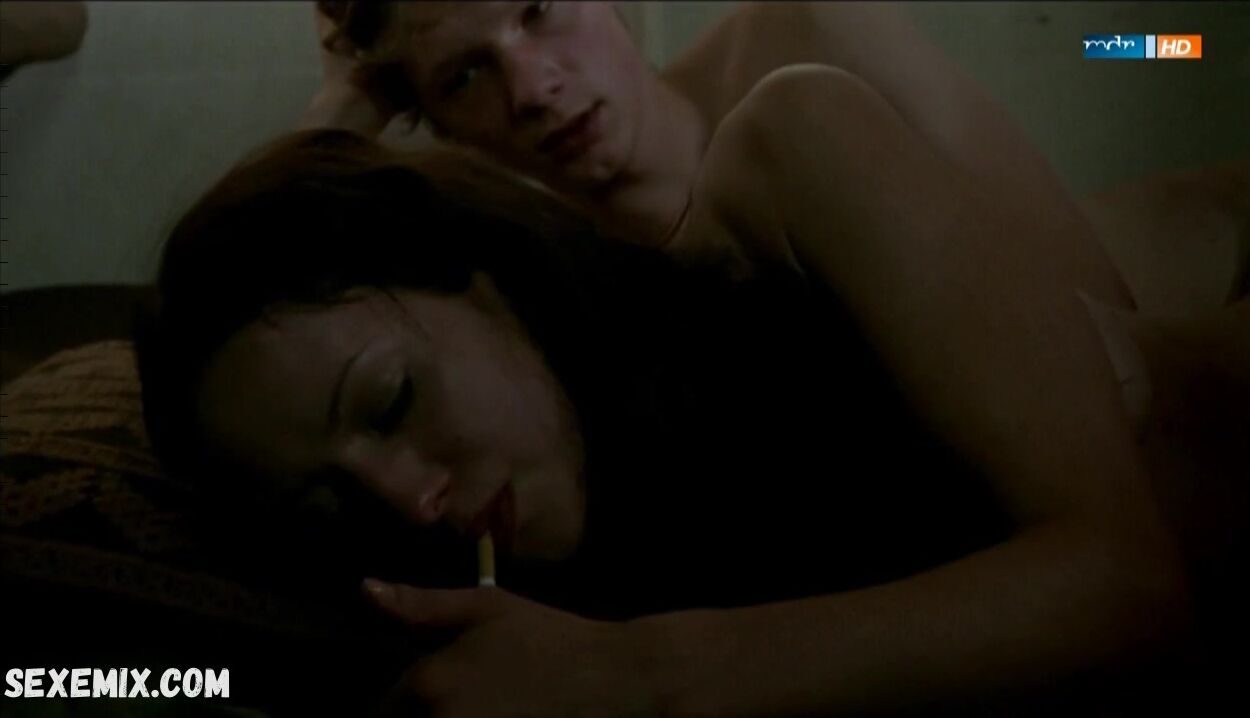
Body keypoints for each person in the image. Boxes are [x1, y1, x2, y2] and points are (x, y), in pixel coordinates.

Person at [137, 99, 1245, 714]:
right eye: (328, 505)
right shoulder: (527, 614)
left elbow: (1125, 593)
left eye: (390, 401)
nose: (407, 502)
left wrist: (641, 675)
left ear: (469, 270)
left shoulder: (785, 162)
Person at [303, 0, 1159, 313]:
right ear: (438, 122)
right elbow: (264, 266)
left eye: (538, 10)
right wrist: (347, 106)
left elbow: (1097, 308)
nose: (531, 89)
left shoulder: (805, 39)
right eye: (464, 75)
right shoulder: (533, 263)